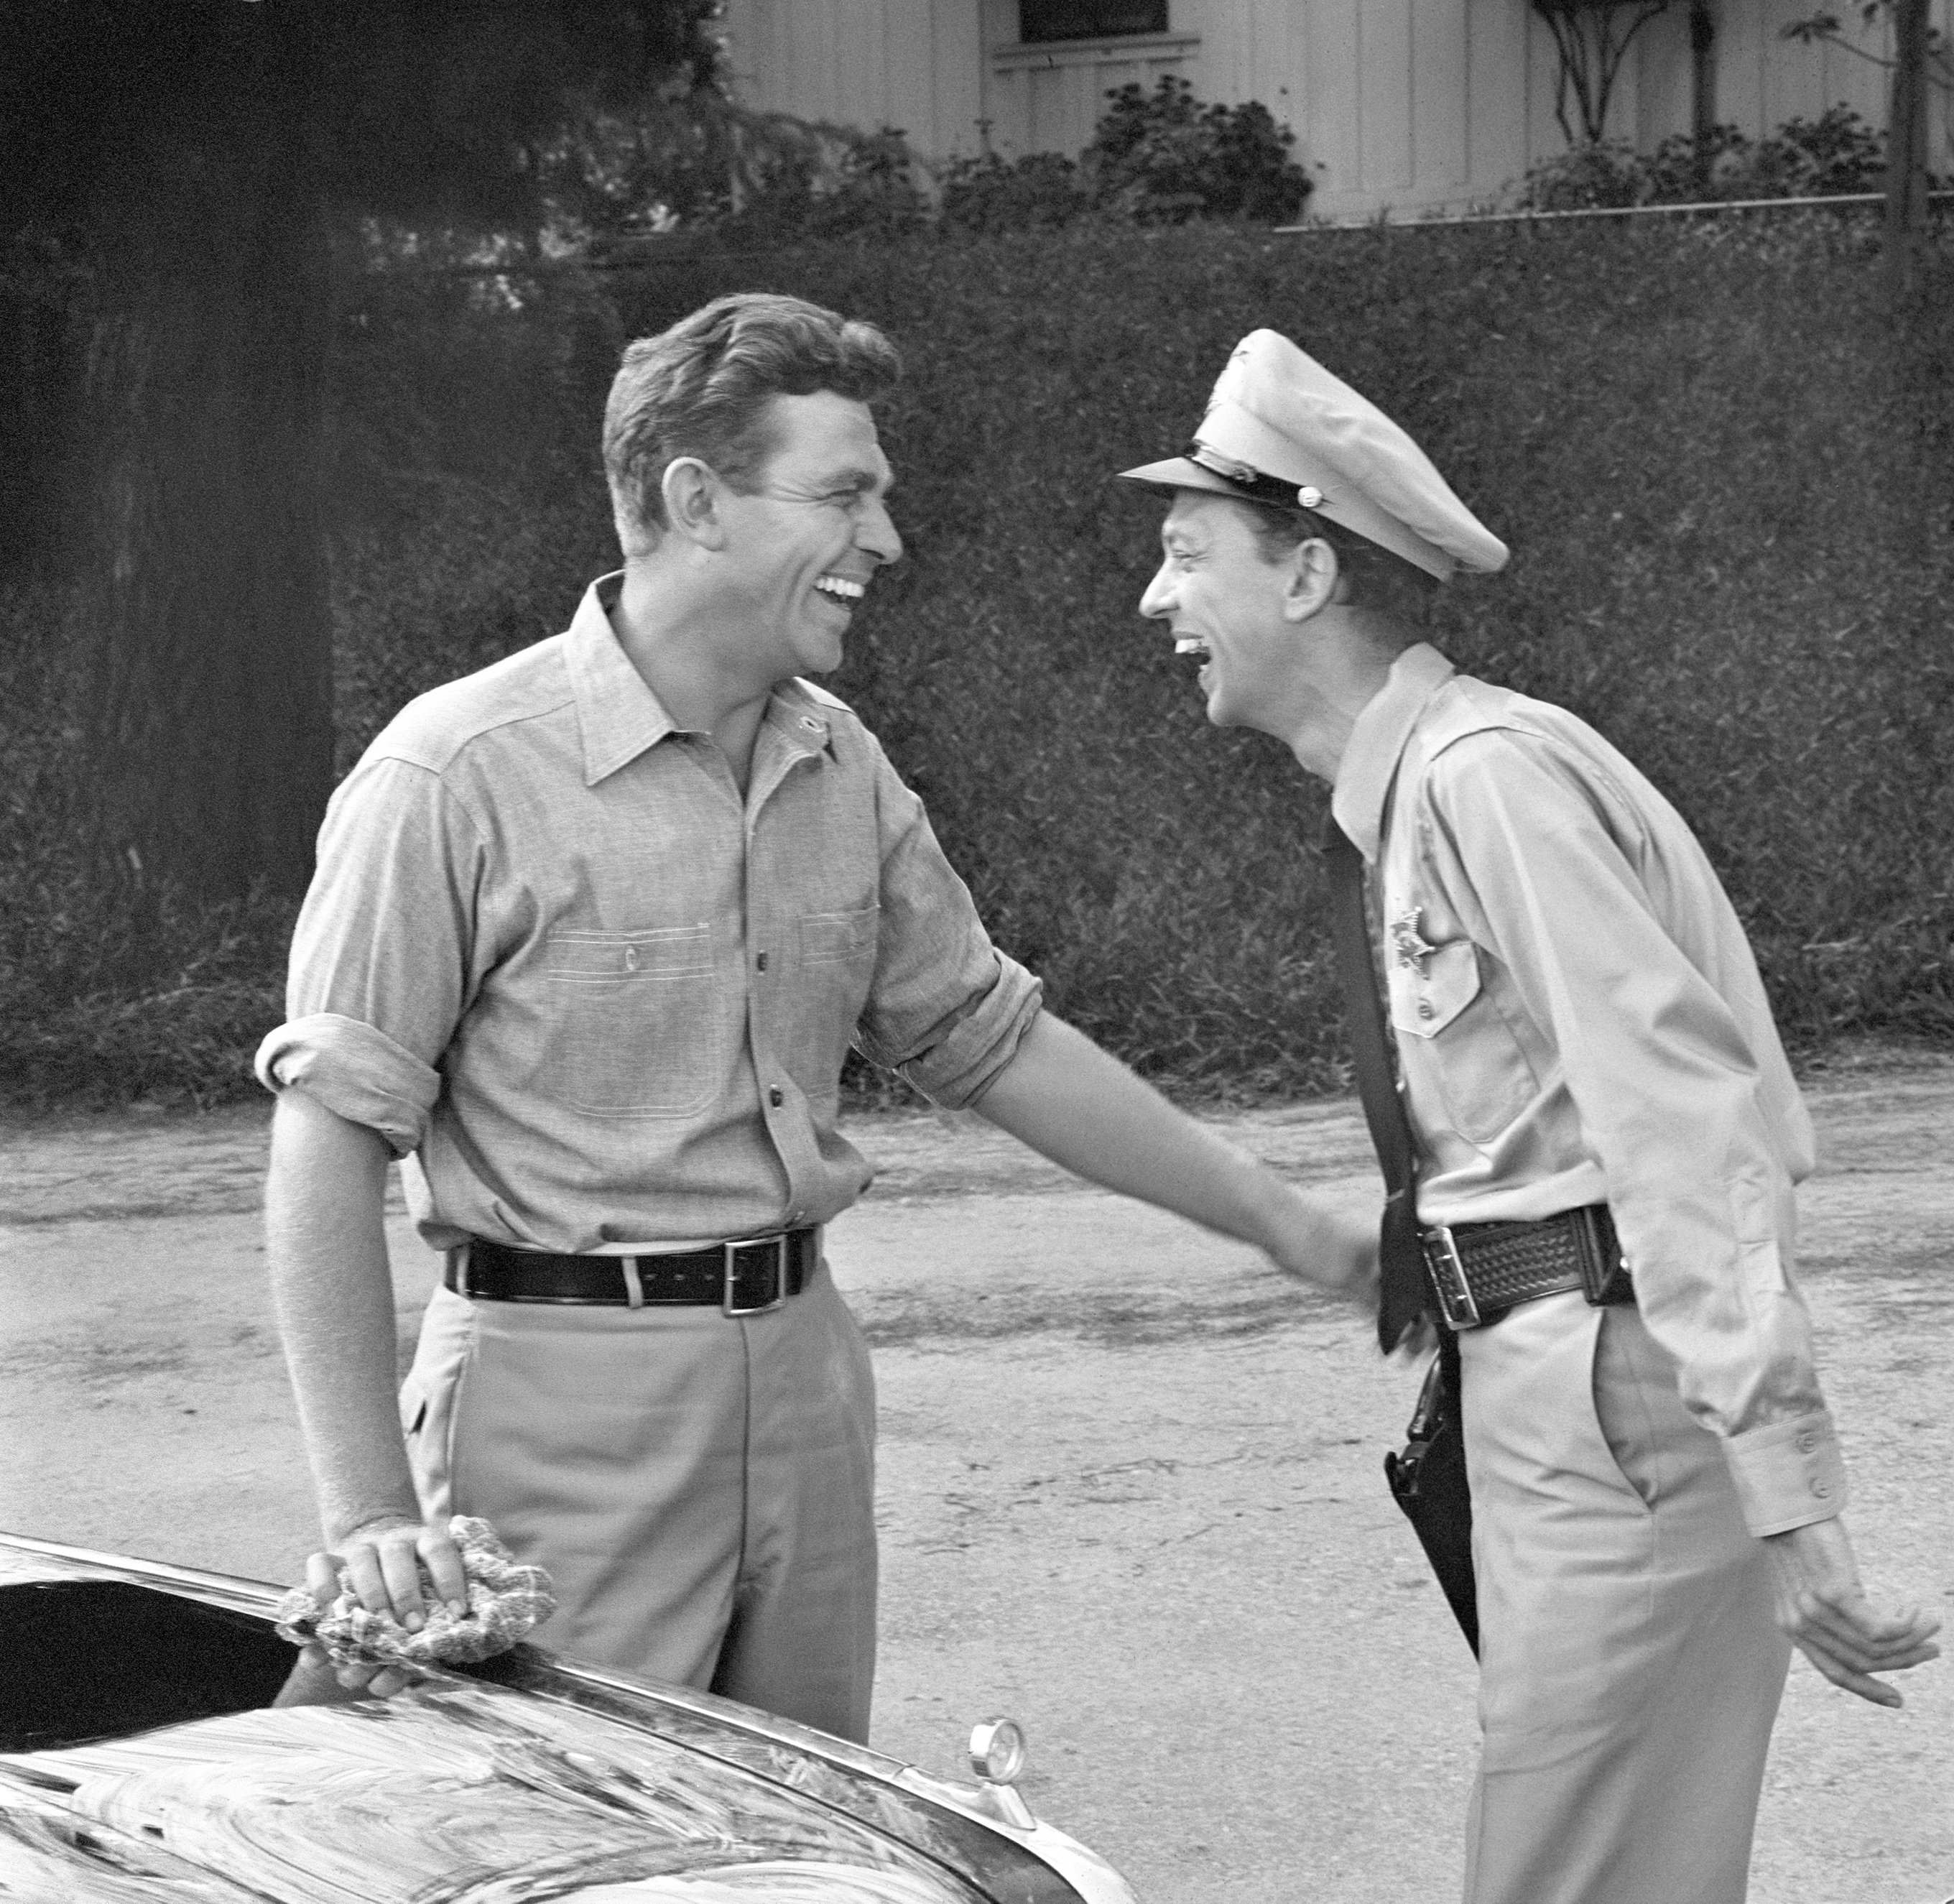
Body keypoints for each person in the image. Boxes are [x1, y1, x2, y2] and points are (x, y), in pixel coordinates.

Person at [257, 293, 1375, 1742]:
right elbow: (328, 1131)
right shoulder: (456, 771)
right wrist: (366, 1516)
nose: (887, 540)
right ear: (694, 500)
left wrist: (1293, 1228)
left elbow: (990, 1035)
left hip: (803, 1374)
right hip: (559, 1400)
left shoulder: (835, 761)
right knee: (556, 1842)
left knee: (807, 1840)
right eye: (845, 493)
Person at [1117, 330, 1941, 1904]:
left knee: (1577, 1872)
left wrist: (1787, 1493)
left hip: (1608, 1394)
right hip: (1558, 1383)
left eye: (1184, 553)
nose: (1157, 601)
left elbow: (1684, 1126)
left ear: (1303, 576)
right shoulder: (1428, 786)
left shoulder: (1486, 780)